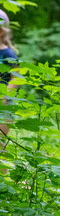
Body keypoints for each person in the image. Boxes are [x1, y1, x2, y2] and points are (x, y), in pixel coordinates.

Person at [0, 9, 19, 152]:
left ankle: (3, 174)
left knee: (0, 144)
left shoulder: (8, 53)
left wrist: (6, 96)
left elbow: (16, 77)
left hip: (5, 102)